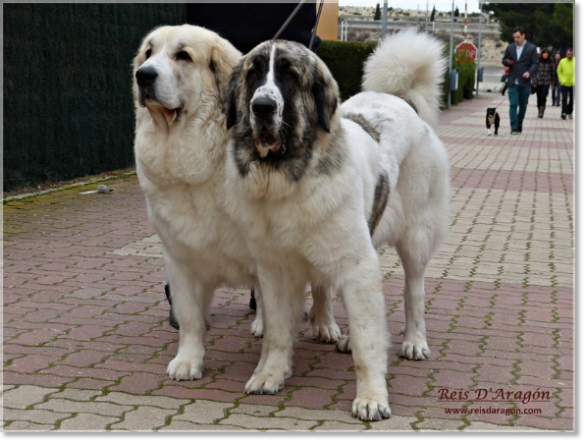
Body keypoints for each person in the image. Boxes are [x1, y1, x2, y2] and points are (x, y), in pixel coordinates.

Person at [161, 2, 322, 330]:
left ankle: (267, 281)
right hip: (213, 55)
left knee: (277, 183)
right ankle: (189, 287)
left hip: (277, 49)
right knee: (194, 175)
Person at [501, 26, 539, 135]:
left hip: (525, 81)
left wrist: (529, 72)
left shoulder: (531, 48)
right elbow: (504, 60)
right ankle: (513, 126)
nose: (516, 39)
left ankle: (519, 123)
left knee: (523, 106)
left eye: (518, 37)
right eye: (514, 37)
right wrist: (508, 62)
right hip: (512, 80)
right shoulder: (510, 47)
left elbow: (535, 63)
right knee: (513, 104)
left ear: (523, 35)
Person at [532, 48, 556, 118]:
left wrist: (553, 83)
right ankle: (539, 109)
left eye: (546, 53)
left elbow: (552, 73)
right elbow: (534, 72)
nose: (545, 54)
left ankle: (542, 111)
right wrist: (534, 81)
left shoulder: (550, 62)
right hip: (538, 81)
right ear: (541, 54)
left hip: (546, 82)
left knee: (543, 96)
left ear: (548, 54)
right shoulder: (537, 61)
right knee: (539, 97)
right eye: (544, 53)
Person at [558, 48, 575, 120]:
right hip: (564, 83)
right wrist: (561, 80)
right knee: (564, 98)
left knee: (572, 99)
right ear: (566, 54)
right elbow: (559, 71)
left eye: (571, 54)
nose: (570, 55)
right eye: (568, 54)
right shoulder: (562, 61)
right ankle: (563, 112)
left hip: (573, 84)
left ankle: (570, 112)